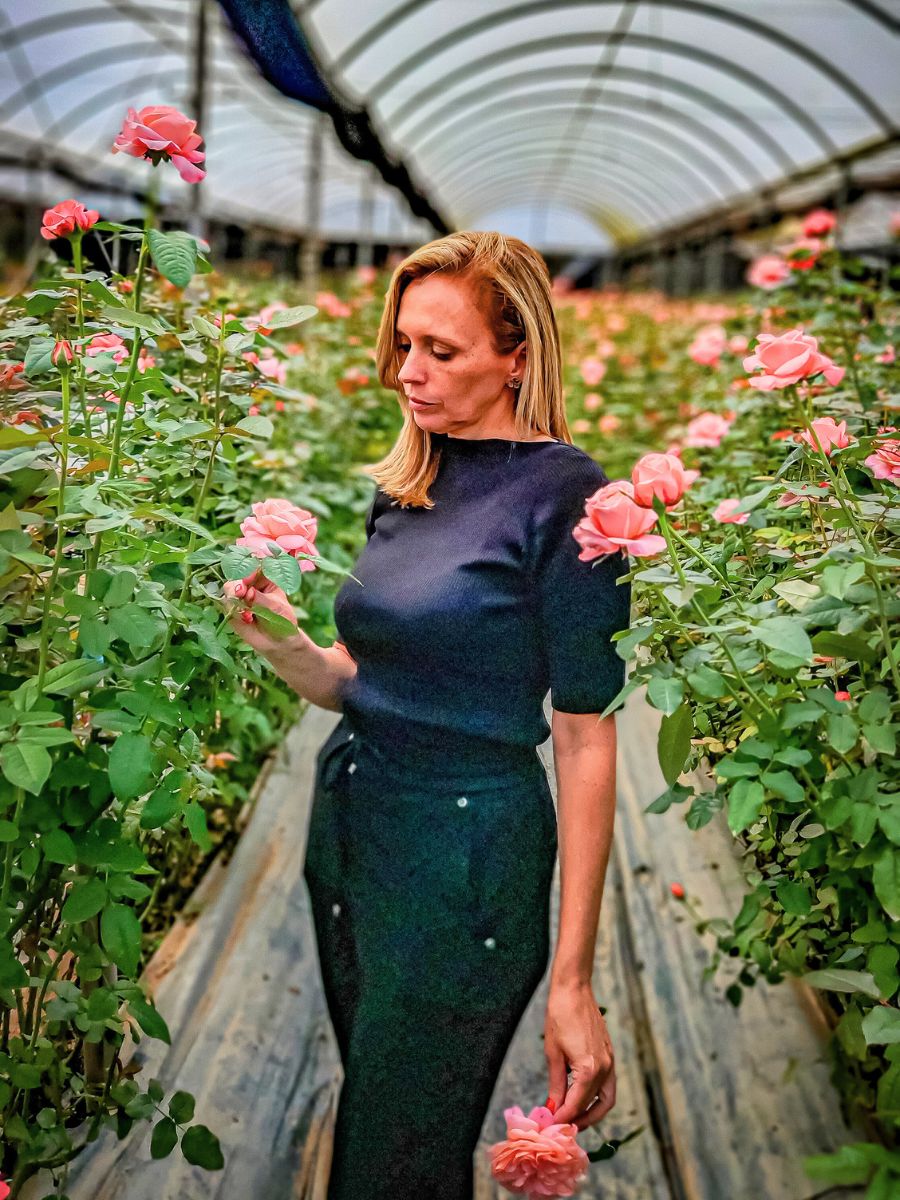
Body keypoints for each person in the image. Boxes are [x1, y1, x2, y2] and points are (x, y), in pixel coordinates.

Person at [224, 231, 632, 1199]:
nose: (408, 372)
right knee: (383, 1110)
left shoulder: (569, 499)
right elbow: (361, 680)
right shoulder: (409, 481)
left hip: (467, 862)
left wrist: (573, 981)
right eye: (404, 344)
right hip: (356, 826)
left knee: (393, 1153)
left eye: (441, 352)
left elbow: (584, 734)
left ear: (517, 356)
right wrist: (279, 640)